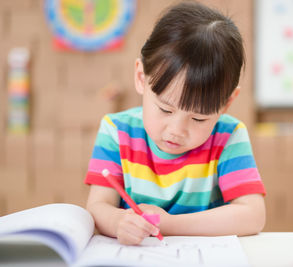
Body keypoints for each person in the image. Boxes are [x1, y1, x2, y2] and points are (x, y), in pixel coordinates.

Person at [85, 1, 266, 245]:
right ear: (141, 77)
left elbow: (253, 215)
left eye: (199, 118)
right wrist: (118, 222)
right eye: (165, 109)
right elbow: (97, 207)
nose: (177, 130)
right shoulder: (116, 131)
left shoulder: (229, 136)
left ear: (226, 103)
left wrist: (168, 224)